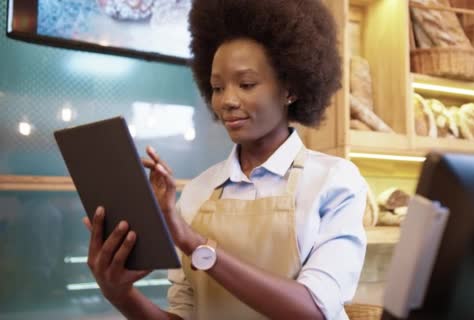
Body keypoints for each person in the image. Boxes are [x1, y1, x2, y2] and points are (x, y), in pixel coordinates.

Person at [82, 0, 368, 319]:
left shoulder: (334, 181)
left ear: (290, 88)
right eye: (217, 87)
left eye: (246, 84)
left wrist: (195, 244)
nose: (227, 101)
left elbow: (314, 309)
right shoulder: (197, 193)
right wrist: (120, 294)